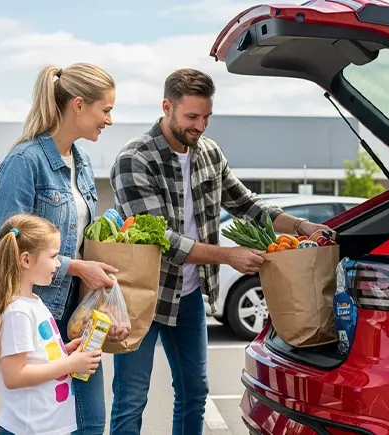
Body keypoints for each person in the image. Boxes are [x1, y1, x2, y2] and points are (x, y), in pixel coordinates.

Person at [108, 68, 333, 434]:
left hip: (190, 294)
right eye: (192, 117)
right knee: (132, 398)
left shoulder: (208, 153)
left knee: (195, 393)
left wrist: (301, 227)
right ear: (167, 107)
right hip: (143, 295)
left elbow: (248, 204)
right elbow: (159, 239)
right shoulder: (135, 159)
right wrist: (228, 255)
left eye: (207, 117)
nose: (201, 126)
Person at [0, 62, 119, 435]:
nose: (109, 120)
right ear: (78, 105)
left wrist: (106, 295)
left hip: (77, 313)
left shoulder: (83, 162)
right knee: (41, 424)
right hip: (39, 312)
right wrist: (77, 268)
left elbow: (83, 238)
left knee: (90, 423)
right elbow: (7, 249)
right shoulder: (23, 163)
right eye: (105, 110)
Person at [0, 214, 104, 435]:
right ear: (26, 260)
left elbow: (33, 357)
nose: (58, 264)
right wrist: (69, 365)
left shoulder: (33, 302)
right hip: (30, 428)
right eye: (54, 256)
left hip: (45, 426)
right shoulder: (18, 312)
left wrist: (65, 351)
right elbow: (14, 376)